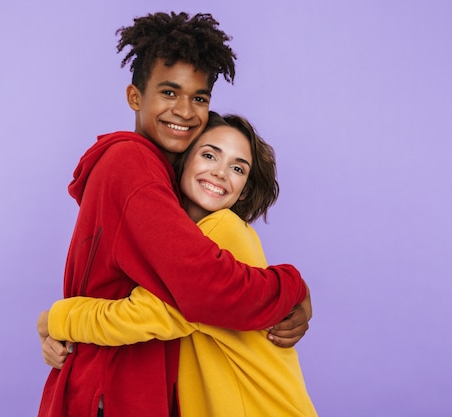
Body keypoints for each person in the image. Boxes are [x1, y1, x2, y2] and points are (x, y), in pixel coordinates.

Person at [37, 11, 311, 417]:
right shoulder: (133, 165)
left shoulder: (162, 181)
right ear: (135, 97)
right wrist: (292, 287)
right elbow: (200, 292)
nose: (184, 110)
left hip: (123, 381)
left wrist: (56, 321)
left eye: (199, 98)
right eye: (168, 92)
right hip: (117, 389)